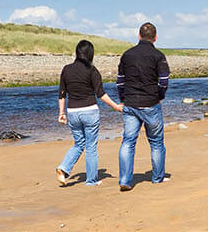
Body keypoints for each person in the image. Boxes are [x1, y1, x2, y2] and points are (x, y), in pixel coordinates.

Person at [55, 39, 122, 186]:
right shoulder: (92, 70)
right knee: (91, 146)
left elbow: (61, 94)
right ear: (90, 54)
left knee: (79, 144)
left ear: (77, 53)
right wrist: (116, 106)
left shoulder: (66, 69)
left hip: (72, 111)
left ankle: (63, 168)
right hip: (90, 111)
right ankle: (91, 180)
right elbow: (101, 94)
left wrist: (61, 113)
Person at [115, 21, 170, 191]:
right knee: (156, 143)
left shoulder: (127, 55)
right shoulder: (158, 56)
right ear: (155, 38)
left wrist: (123, 99)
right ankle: (157, 178)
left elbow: (120, 81)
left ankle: (125, 180)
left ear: (139, 36)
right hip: (150, 103)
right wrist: (160, 96)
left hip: (131, 103)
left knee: (128, 141)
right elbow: (163, 82)